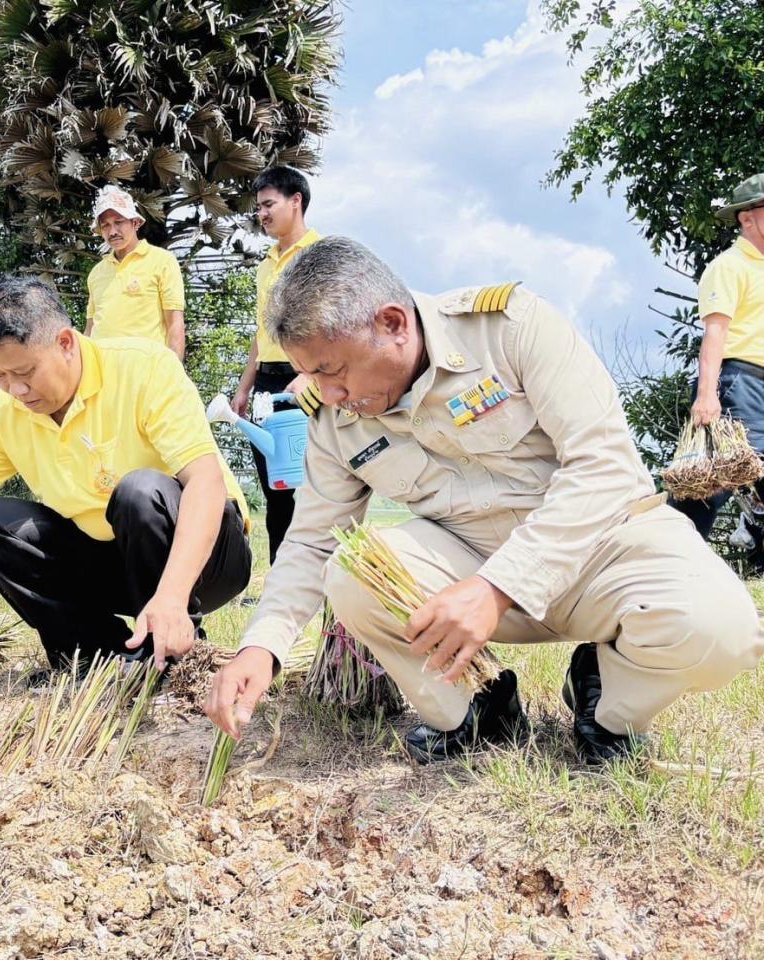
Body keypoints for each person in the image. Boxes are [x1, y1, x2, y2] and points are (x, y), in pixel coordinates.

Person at [204, 237, 764, 765]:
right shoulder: (332, 418)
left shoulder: (510, 328)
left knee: (724, 628)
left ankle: (607, 705)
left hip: (602, 553)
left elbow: (603, 466)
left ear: (393, 323)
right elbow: (311, 540)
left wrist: (499, 588)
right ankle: (477, 708)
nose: (328, 394)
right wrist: (261, 647)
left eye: (333, 370)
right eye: (310, 375)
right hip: (471, 564)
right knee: (355, 571)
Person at [0, 277, 253, 699]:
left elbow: (206, 482)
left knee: (141, 492)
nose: (16, 390)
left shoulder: (143, 367)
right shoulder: (2, 413)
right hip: (113, 560)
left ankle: (173, 654)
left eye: (25, 372)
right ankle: (95, 657)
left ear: (66, 342)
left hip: (204, 557)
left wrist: (173, 596)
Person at [231, 166, 324, 564]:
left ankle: (325, 581)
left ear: (296, 201)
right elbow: (262, 331)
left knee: (318, 484)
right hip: (268, 383)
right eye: (259, 207)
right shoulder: (266, 264)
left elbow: (330, 321)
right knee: (276, 485)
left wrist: (311, 374)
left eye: (269, 204)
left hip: (309, 380)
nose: (262, 214)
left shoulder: (320, 254)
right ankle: (281, 579)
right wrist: (245, 385)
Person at [672, 172, 764, 540]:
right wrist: (706, 395)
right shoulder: (729, 267)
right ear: (748, 218)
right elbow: (715, 333)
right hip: (739, 382)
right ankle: (673, 547)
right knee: (716, 478)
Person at [84, 186, 186, 358]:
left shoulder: (163, 261)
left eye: (118, 222)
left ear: (135, 223)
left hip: (146, 374)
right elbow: (91, 328)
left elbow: (175, 324)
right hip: (103, 375)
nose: (113, 231)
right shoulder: (97, 273)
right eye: (106, 226)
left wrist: (173, 375)